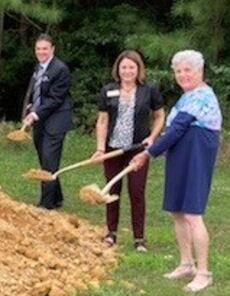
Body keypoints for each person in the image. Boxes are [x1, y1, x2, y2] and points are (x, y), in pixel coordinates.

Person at [130, 50, 221, 292]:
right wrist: (155, 142)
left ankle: (203, 273)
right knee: (178, 212)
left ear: (200, 71)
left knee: (192, 214)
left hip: (196, 157)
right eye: (178, 71)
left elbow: (179, 128)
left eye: (187, 70)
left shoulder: (202, 96)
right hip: (180, 156)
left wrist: (147, 153)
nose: (182, 75)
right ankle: (186, 263)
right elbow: (173, 132)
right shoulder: (185, 98)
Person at [90, 50, 165, 251]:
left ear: (138, 69)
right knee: (111, 190)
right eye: (124, 67)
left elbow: (159, 115)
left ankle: (139, 238)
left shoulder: (149, 90)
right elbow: (103, 121)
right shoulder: (108, 90)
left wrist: (152, 137)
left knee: (136, 191)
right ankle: (111, 233)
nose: (127, 71)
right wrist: (100, 149)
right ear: (118, 69)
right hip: (112, 149)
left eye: (132, 67)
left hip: (137, 150)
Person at [22, 34, 73, 210]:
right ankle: (57, 197)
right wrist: (31, 109)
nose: (41, 52)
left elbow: (55, 99)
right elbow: (38, 93)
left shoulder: (60, 69)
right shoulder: (39, 67)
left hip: (56, 120)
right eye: (38, 49)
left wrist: (36, 114)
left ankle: (46, 204)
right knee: (45, 159)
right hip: (41, 120)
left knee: (50, 161)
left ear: (52, 49)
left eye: (45, 48)